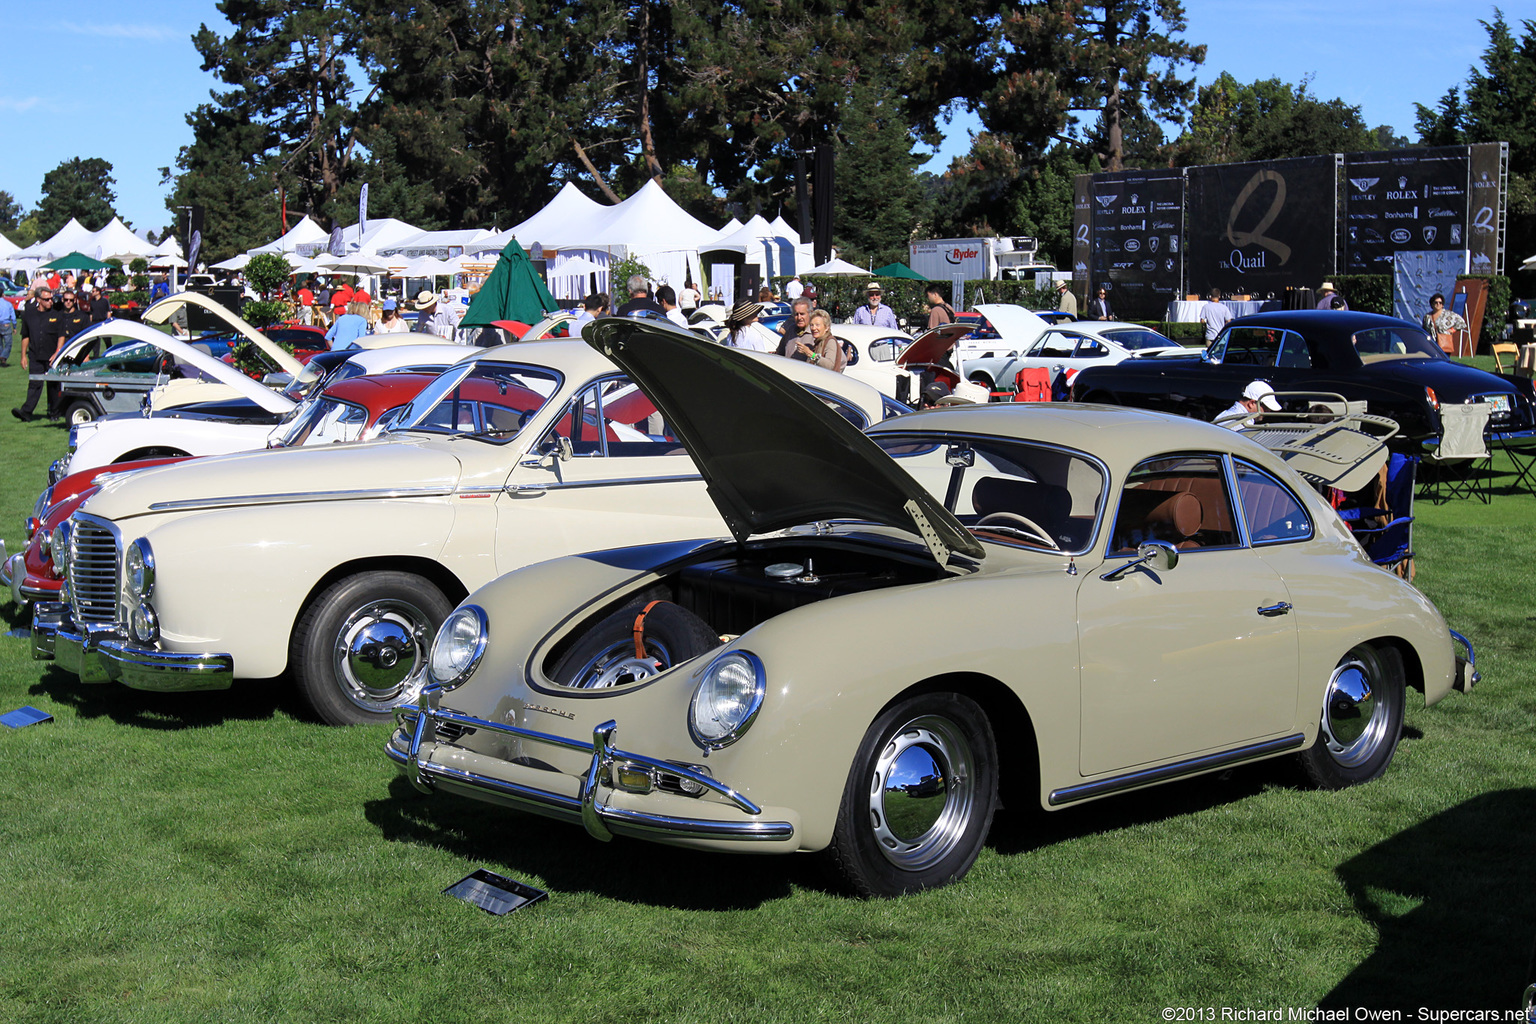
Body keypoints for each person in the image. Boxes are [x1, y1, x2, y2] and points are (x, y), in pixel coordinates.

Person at [12, 287, 68, 421]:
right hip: (35, 356)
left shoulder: (57, 315)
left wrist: (57, 352)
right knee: (34, 384)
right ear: (38, 300)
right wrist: (23, 356)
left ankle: (54, 412)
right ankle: (26, 412)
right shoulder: (29, 315)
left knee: (53, 386)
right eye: (47, 299)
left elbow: (61, 335)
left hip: (52, 357)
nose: (50, 302)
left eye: (51, 299)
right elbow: (25, 336)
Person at [1215, 380, 1281, 429]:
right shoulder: (1243, 425)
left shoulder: (1224, 415)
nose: (1268, 411)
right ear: (1252, 403)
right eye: (1266, 407)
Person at [0, 288, 15, 367]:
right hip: (5, 324)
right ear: (2, 294)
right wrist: (14, 326)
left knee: (0, 344)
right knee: (8, 343)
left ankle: (2, 358)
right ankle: (3, 356)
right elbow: (13, 316)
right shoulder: (8, 304)